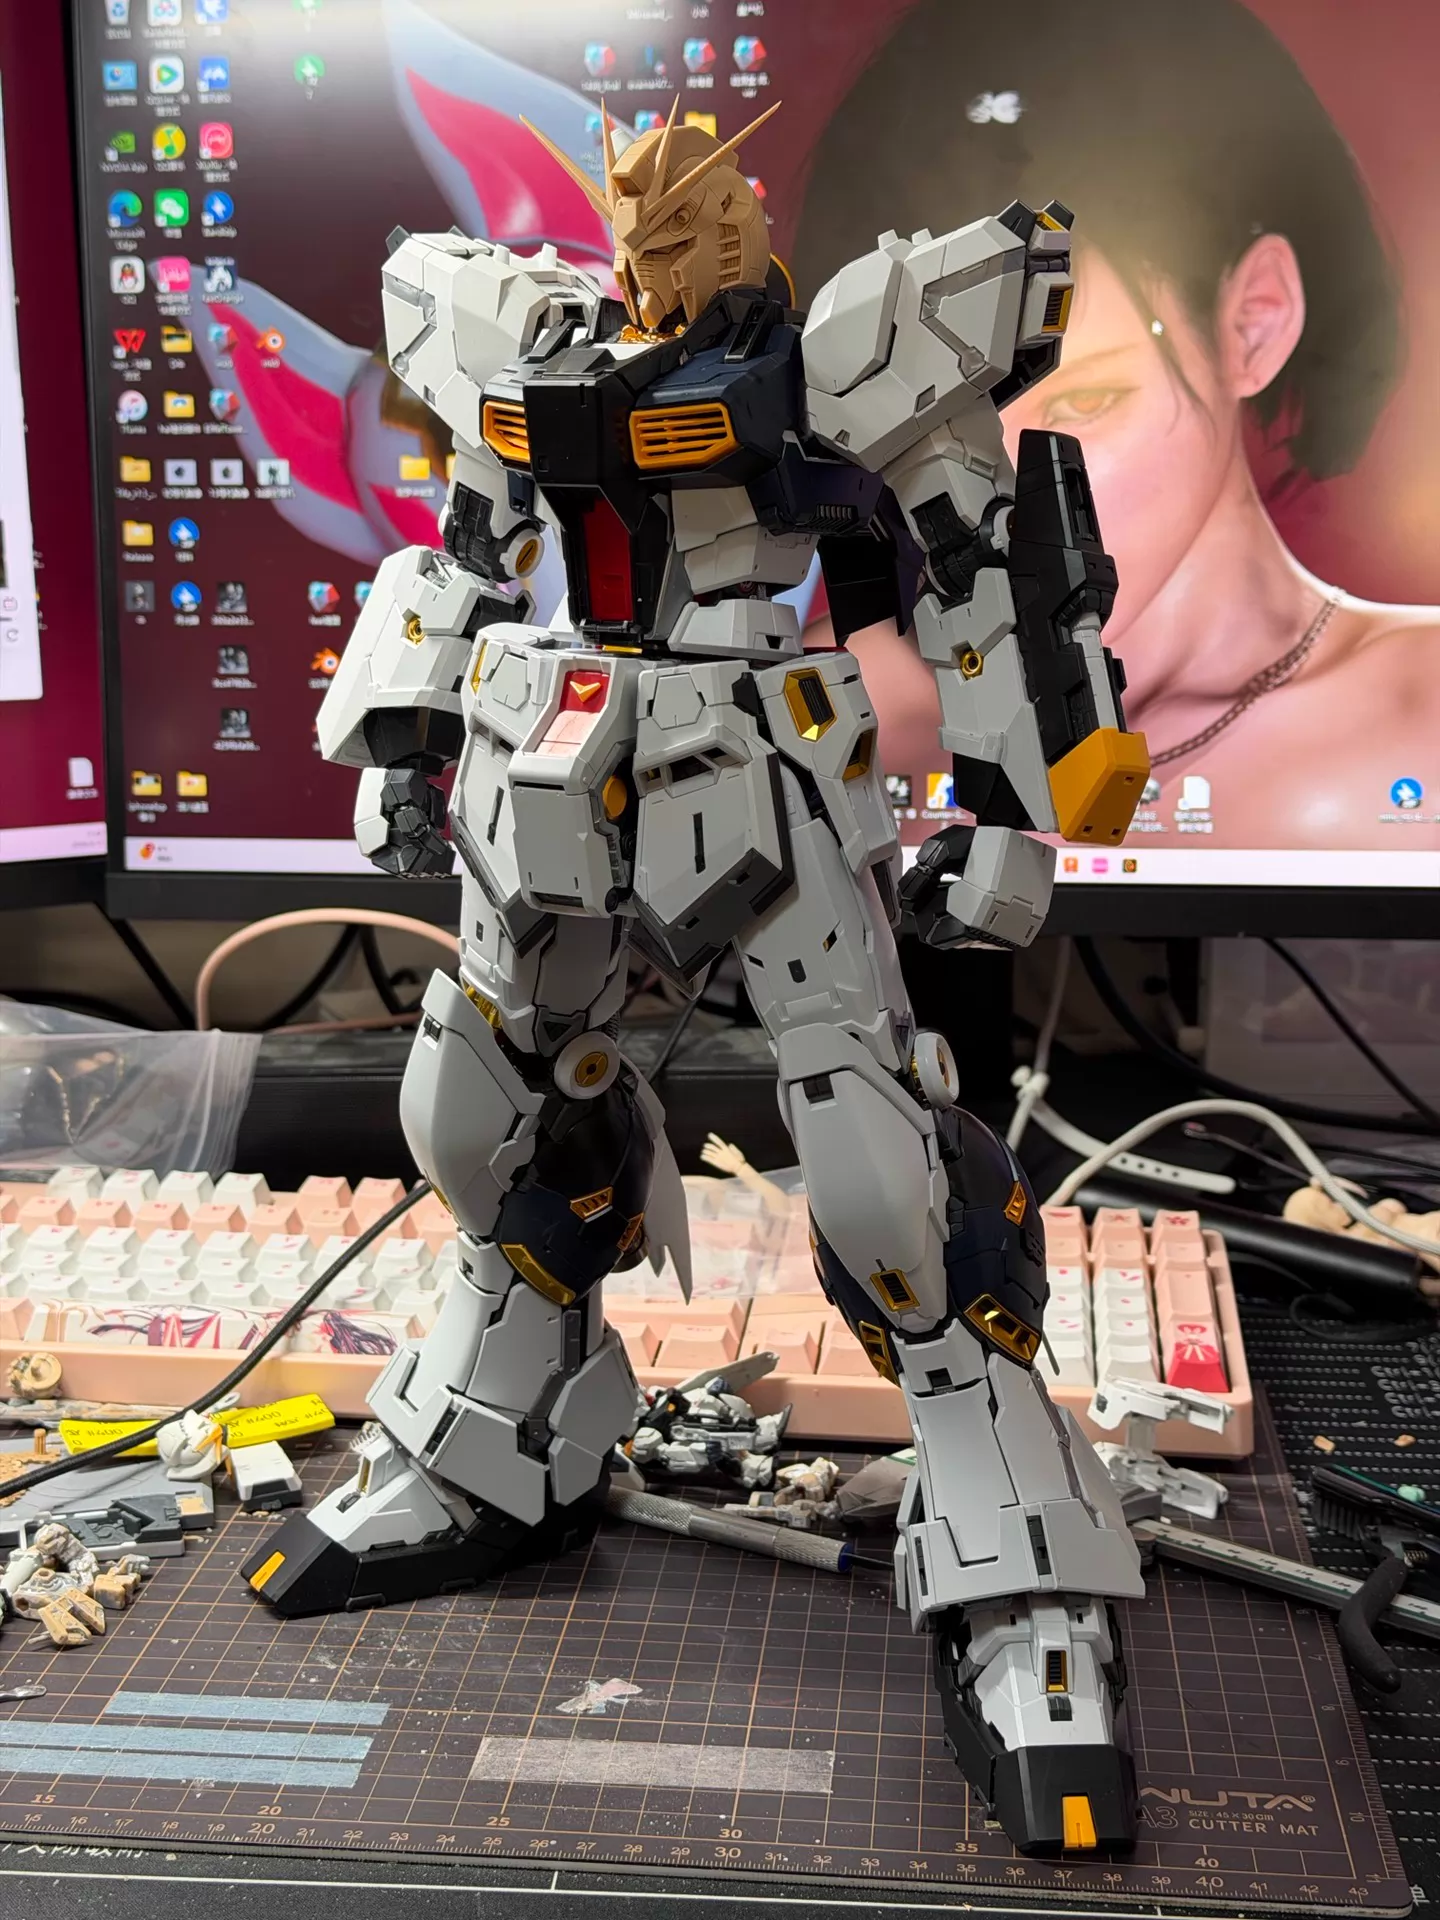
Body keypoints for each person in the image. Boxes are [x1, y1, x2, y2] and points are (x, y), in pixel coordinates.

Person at [791, 0, 1436, 851]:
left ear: (1256, 323)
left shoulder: (1416, 712)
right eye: (938, 428)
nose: (999, 502)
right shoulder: (838, 700)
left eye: (1087, 403)